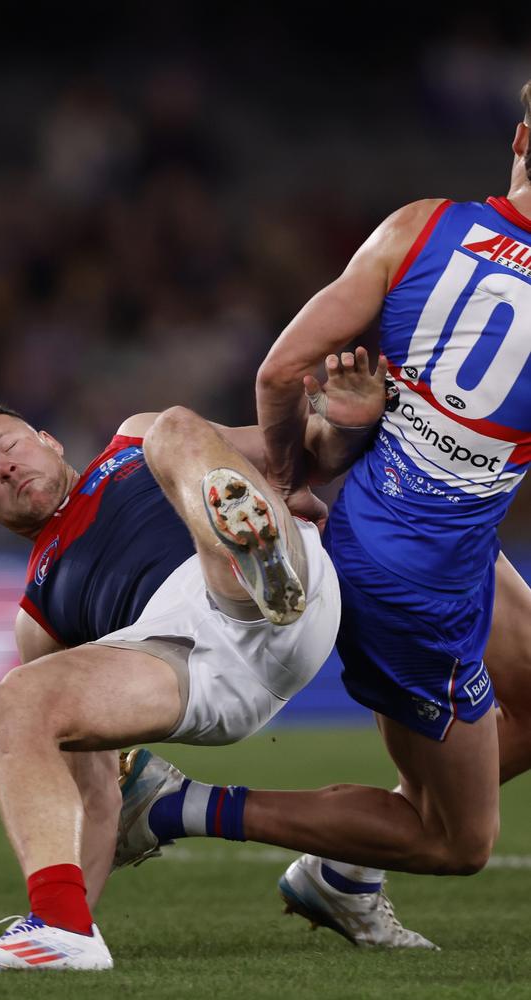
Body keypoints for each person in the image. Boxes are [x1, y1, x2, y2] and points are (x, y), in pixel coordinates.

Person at [107, 79, 531, 952]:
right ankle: (177, 807)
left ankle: (342, 870)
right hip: (417, 580)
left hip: (414, 522)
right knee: (459, 842)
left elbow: (275, 374)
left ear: (521, 138)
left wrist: (297, 477)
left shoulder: (419, 226)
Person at [0, 352, 387, 973]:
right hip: (192, 668)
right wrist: (76, 909)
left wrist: (342, 423)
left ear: (47, 440)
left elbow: (306, 451)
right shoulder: (38, 615)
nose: (5, 466)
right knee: (12, 701)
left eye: (9, 445)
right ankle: (61, 932)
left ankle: (254, 556)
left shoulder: (132, 440)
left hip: (259, 591)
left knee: (172, 426)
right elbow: (96, 797)